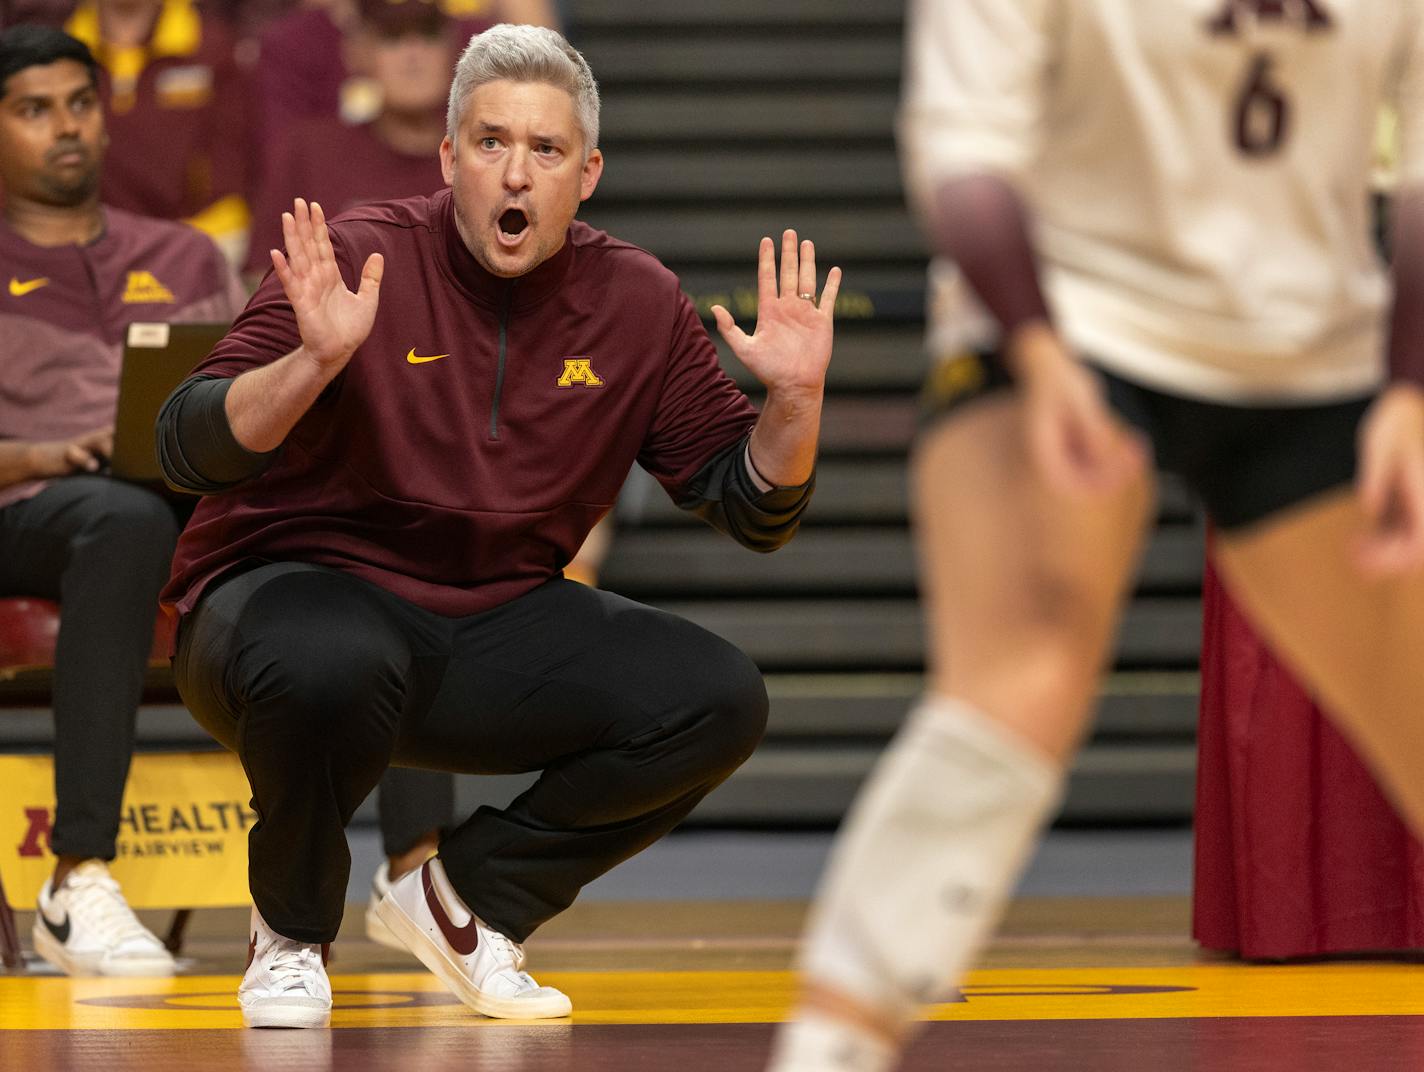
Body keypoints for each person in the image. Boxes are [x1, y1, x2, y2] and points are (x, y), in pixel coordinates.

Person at [768, 2, 1424, 1069]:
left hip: (1302, 343)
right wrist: (1035, 348)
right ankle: (829, 1045)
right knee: (1019, 676)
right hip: (1066, 312)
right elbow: (962, 156)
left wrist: (1406, 390)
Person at [157, 23, 841, 1029]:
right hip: (280, 605)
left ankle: (465, 898)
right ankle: (291, 930)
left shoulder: (638, 302)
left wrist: (792, 401)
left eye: (545, 150)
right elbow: (185, 445)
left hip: (485, 623)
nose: (513, 173)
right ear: (448, 159)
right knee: (333, 651)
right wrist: (310, 365)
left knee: (716, 696)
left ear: (587, 173)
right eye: (488, 143)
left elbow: (750, 508)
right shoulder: (359, 255)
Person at [0, 24, 245, 977]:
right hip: (32, 507)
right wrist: (43, 451)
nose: (65, 126)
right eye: (32, 110)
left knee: (356, 530)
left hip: (178, 502)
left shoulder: (186, 258)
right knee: (119, 517)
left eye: (79, 103)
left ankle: (416, 871)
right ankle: (79, 873)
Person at [62, 0, 253, 263]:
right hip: (82, 245)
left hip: (198, 241)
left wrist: (182, 249)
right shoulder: (58, 56)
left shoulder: (212, 48)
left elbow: (232, 171)